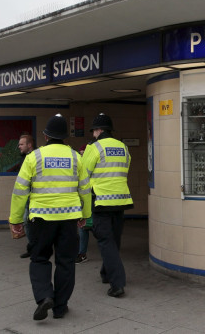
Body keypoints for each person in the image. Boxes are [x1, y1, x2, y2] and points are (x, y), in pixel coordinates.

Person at [9, 114, 92, 320]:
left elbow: (20, 191)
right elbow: (85, 190)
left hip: (41, 219)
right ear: (65, 137)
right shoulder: (76, 157)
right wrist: (85, 216)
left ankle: (45, 296)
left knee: (39, 259)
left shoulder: (33, 157)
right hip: (68, 219)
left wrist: (15, 220)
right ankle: (60, 307)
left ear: (45, 136)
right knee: (66, 262)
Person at [82, 113, 134, 297]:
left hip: (101, 201)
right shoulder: (123, 147)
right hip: (121, 200)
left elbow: (84, 174)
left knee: (105, 241)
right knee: (114, 239)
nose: (93, 134)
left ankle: (117, 283)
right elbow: (125, 168)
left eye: (94, 131)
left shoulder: (94, 147)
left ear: (98, 130)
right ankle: (106, 273)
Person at [15, 134, 36, 258]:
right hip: (26, 196)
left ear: (29, 145)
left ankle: (35, 247)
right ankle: (32, 247)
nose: (19, 146)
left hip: (35, 196)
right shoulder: (23, 158)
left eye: (21, 144)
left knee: (32, 222)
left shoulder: (35, 157)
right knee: (26, 222)